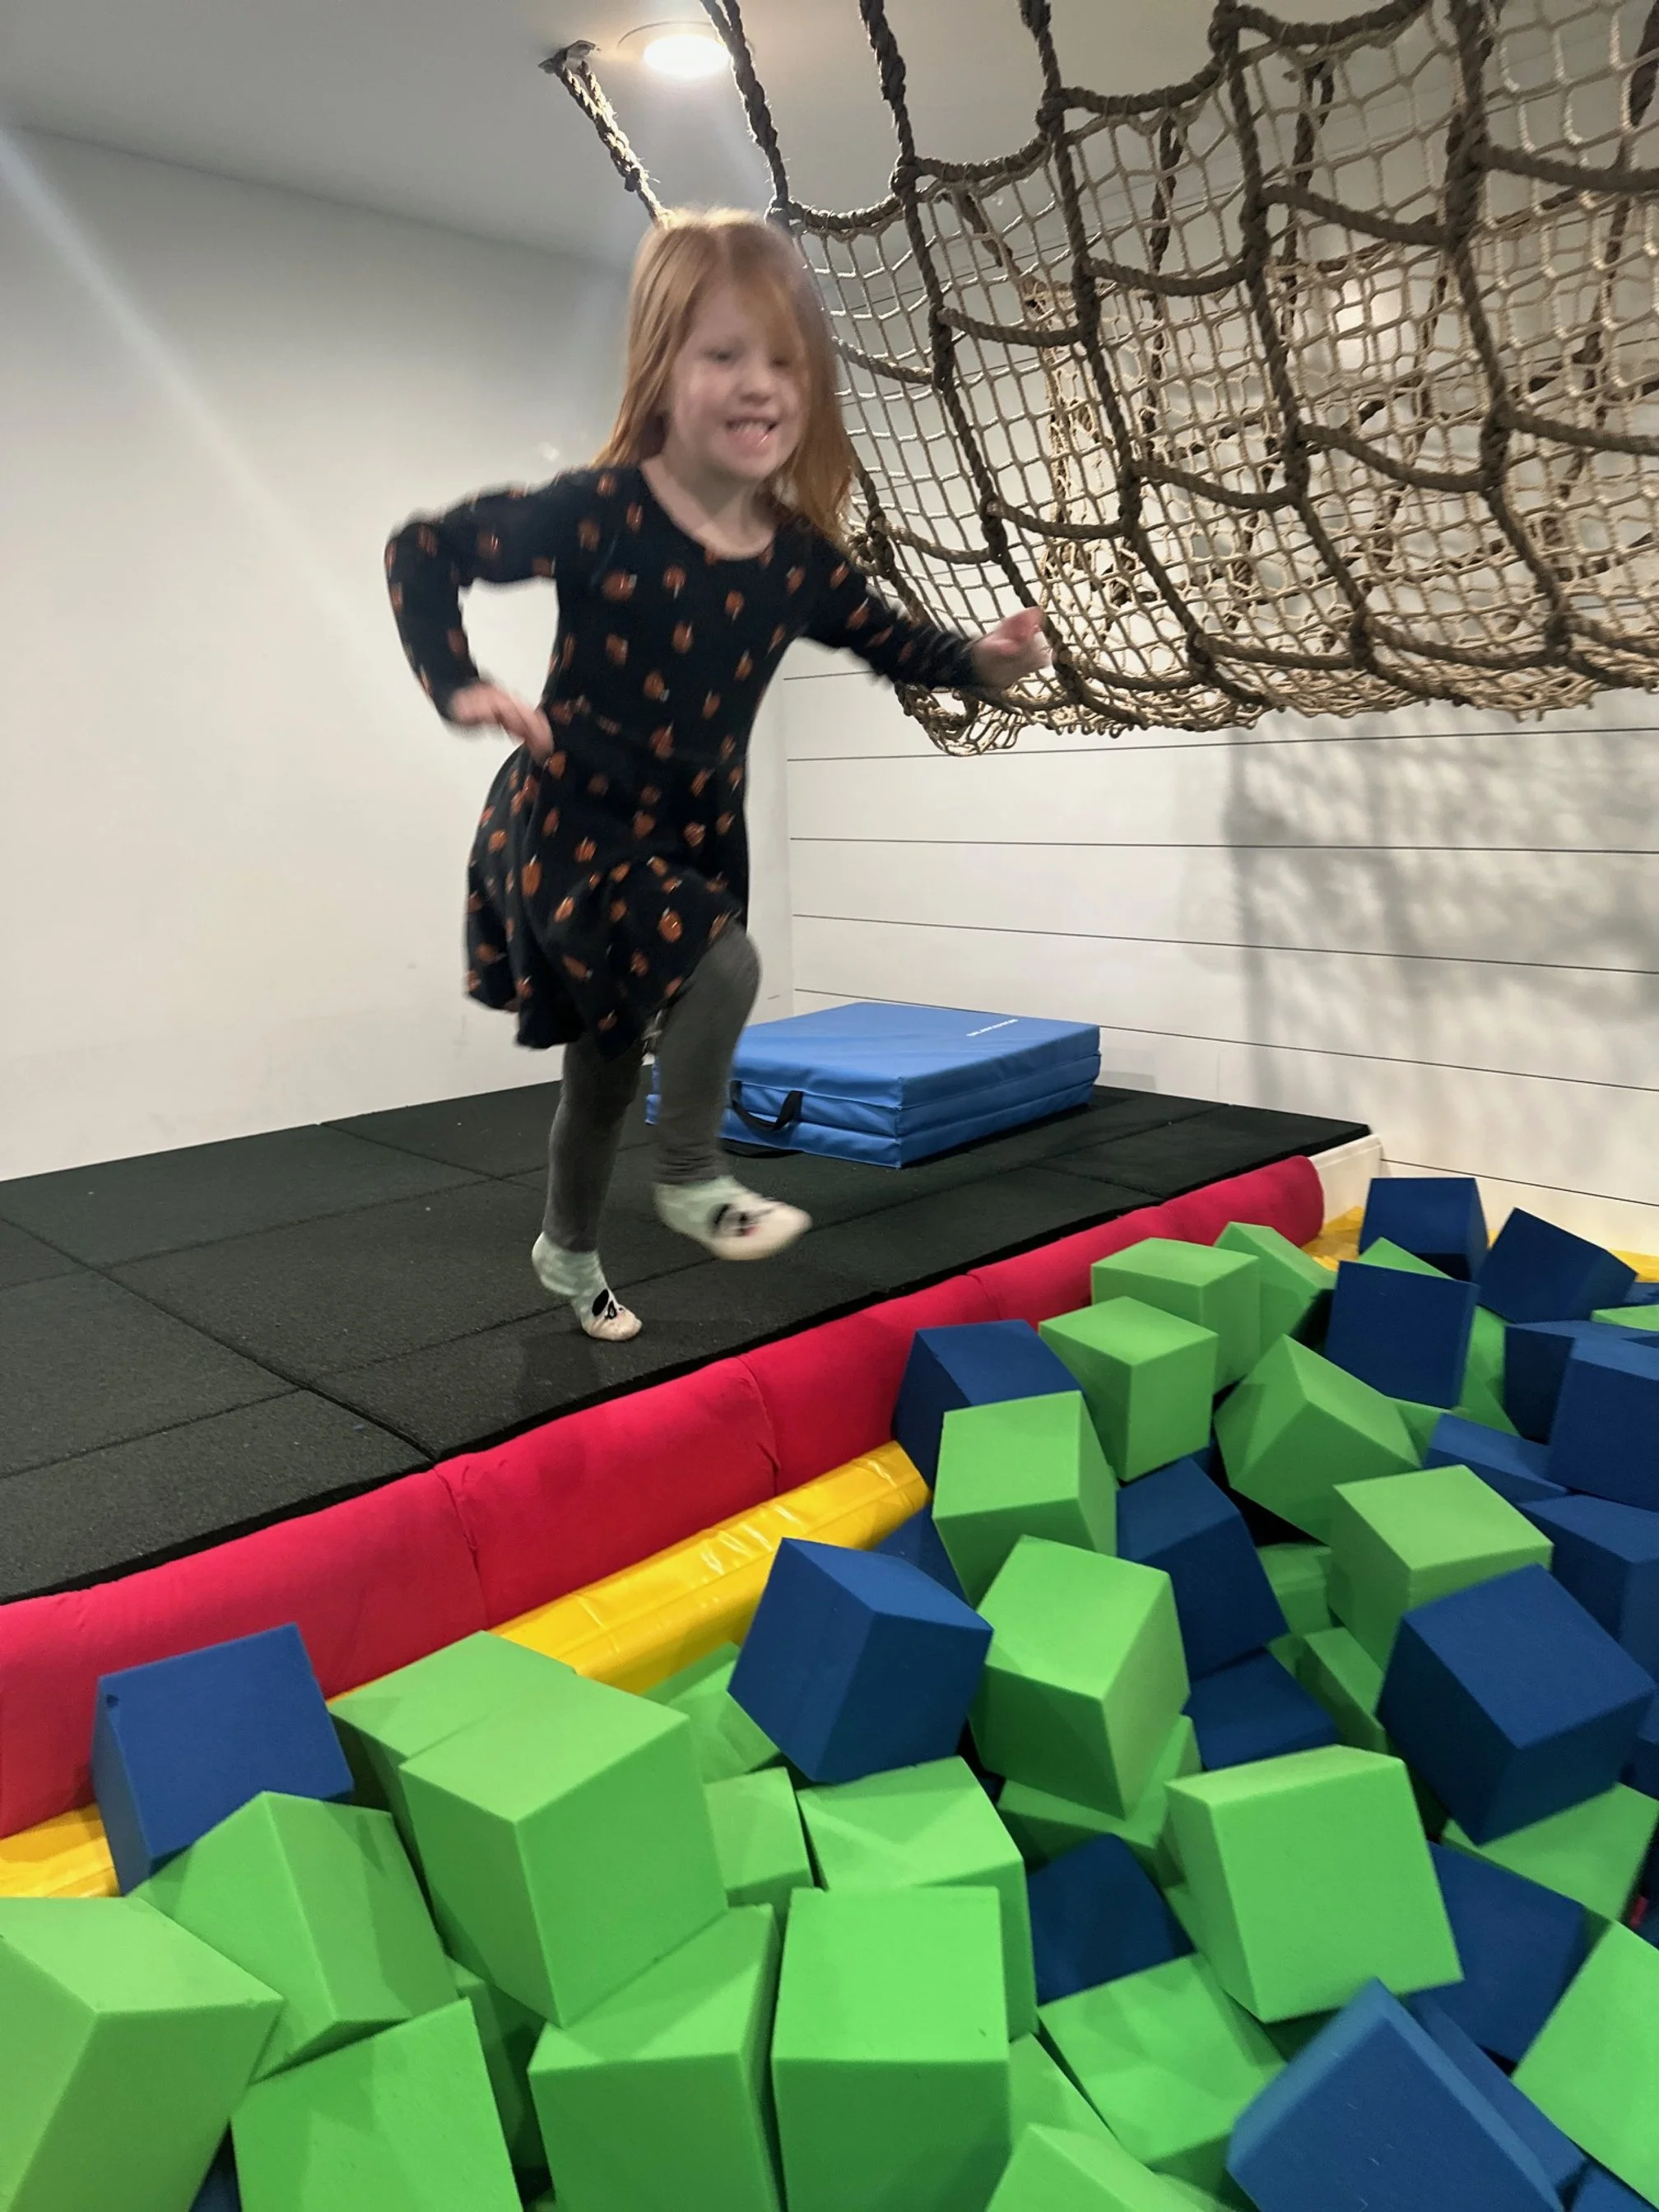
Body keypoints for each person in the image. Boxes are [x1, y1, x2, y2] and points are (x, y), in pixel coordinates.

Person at [385, 210, 1049, 1343]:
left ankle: (567, 1248)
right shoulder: (598, 514)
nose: (762, 386)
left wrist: (986, 660)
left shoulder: (795, 560)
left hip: (688, 837)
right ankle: (692, 1176)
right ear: (662, 369)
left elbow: (905, 648)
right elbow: (424, 552)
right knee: (726, 965)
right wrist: (460, 685)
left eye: (785, 360)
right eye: (726, 356)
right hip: (575, 822)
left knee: (599, 1075)